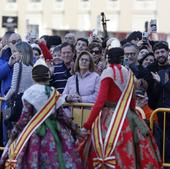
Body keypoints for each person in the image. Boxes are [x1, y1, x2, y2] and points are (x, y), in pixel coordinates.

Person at [80, 44, 162, 169]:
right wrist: (134, 116)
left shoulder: (107, 73)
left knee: (104, 148)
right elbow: (132, 99)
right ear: (122, 58)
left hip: (109, 118)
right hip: (128, 115)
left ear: (108, 58)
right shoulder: (128, 72)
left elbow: (100, 101)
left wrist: (87, 124)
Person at [0, 58, 83, 169]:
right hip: (55, 133)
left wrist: (13, 136)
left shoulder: (29, 93)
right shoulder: (54, 93)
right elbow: (63, 117)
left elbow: (24, 119)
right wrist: (77, 130)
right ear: (48, 76)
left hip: (34, 135)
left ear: (33, 77)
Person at [62, 50, 100, 118]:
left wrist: (81, 99)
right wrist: (67, 98)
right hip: (72, 116)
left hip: (89, 115)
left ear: (90, 63)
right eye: (82, 59)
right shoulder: (71, 79)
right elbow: (63, 96)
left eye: (86, 60)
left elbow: (97, 97)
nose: (84, 61)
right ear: (78, 62)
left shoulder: (96, 77)